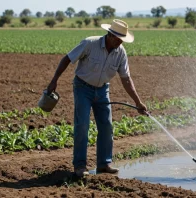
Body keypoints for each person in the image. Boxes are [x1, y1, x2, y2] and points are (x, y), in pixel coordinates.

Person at [46, 19, 148, 177]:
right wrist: (54, 80)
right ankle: (79, 166)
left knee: (106, 126)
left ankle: (104, 164)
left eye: (123, 39)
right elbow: (67, 59)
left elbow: (126, 79)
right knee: (82, 125)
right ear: (111, 35)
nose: (121, 42)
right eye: (119, 38)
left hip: (102, 90)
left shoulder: (120, 52)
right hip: (83, 88)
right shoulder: (90, 44)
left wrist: (138, 102)